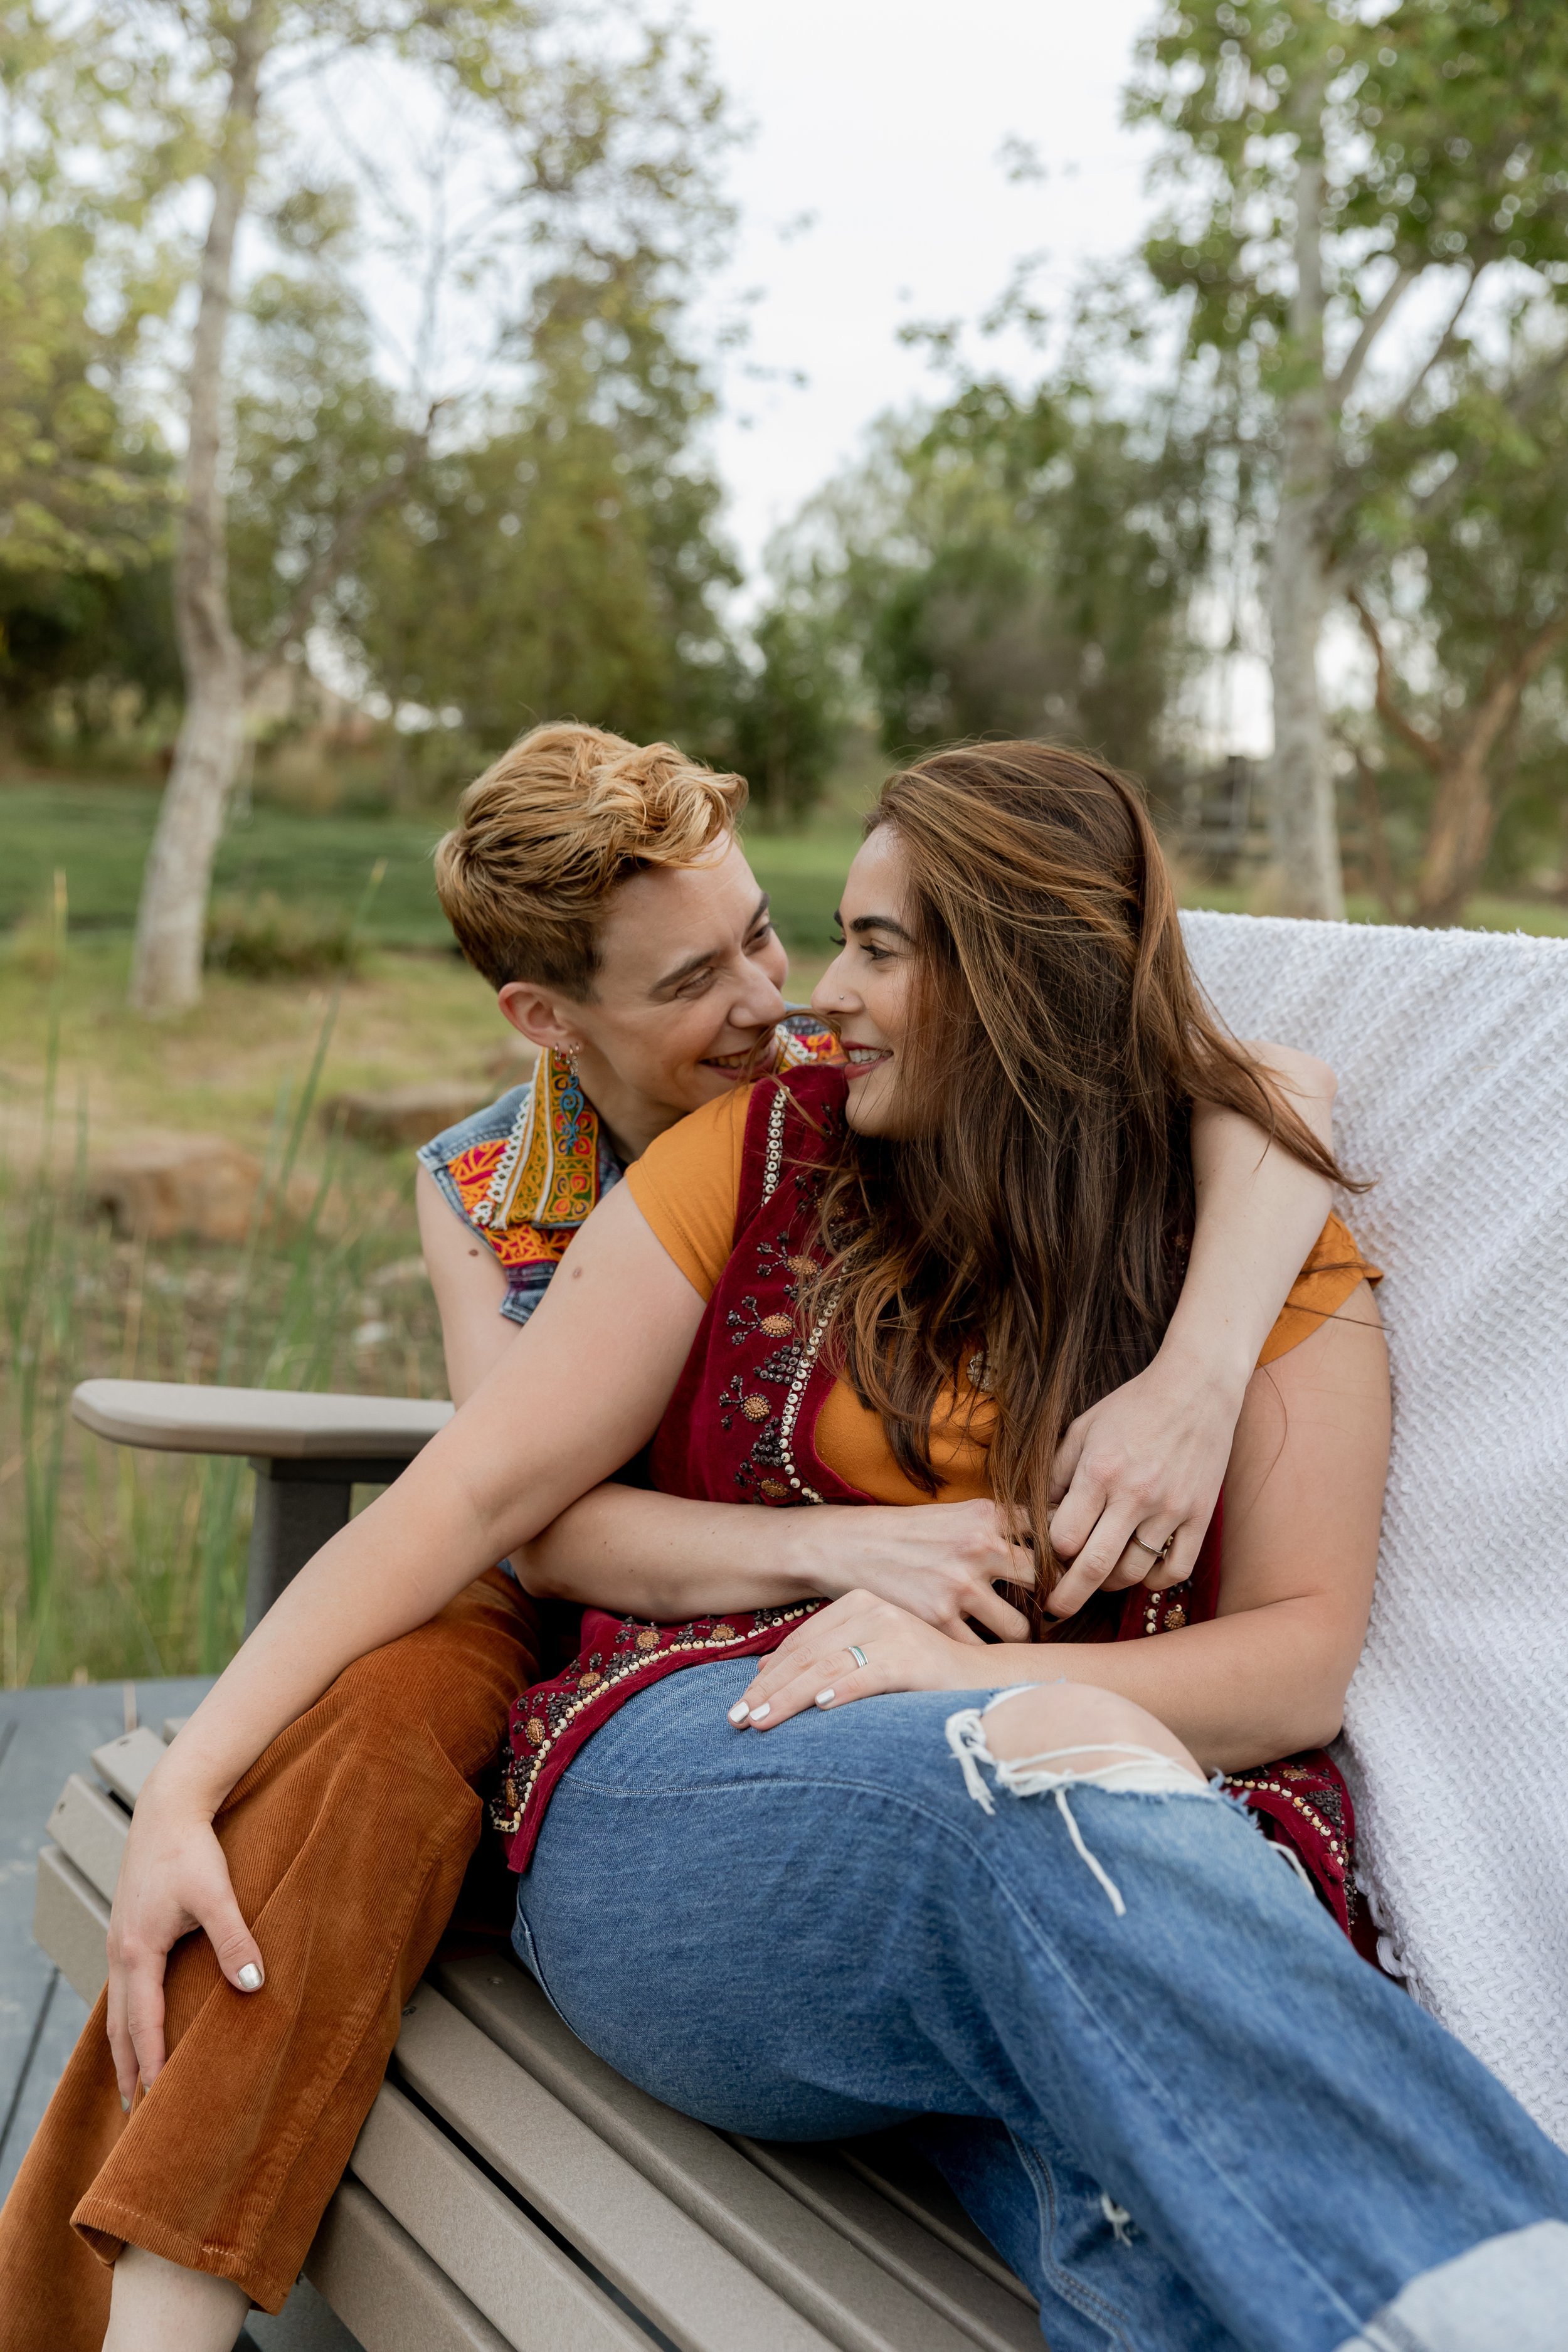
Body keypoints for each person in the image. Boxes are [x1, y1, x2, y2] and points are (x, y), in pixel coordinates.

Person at [0, 726, 1345, 2352]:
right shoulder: (490, 1179)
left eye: (768, 935)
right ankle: (146, 2311)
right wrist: (827, 1562)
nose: (772, 999)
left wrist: (1200, 1371)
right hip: (599, 1608)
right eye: (692, 981)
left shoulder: (850, 1078)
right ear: (545, 1019)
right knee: (359, 1736)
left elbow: (1265, 1092)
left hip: (796, 1670)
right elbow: (527, 1523)